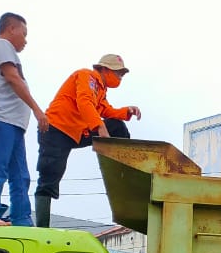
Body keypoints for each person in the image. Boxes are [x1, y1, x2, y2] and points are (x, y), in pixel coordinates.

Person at [34, 55, 142, 228]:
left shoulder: (100, 90)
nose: (120, 76)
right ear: (104, 69)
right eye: (117, 72)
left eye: (122, 73)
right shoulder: (87, 76)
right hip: (56, 130)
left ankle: (127, 170)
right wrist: (99, 127)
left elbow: (105, 110)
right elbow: (84, 101)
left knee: (116, 126)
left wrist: (126, 111)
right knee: (49, 177)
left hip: (76, 133)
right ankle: (42, 228)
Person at [0, 13, 48, 227]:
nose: (25, 40)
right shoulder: (1, 45)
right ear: (11, 29)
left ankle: (22, 219)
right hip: (1, 116)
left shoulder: (6, 49)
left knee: (20, 174)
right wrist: (37, 110)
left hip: (13, 122)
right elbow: (12, 77)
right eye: (24, 34)